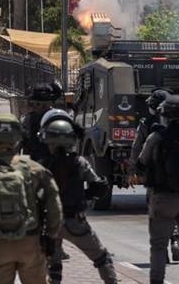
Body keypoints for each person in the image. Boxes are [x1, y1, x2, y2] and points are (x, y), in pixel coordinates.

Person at [0, 112, 62, 284]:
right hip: (30, 243)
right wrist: (51, 238)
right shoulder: (35, 169)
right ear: (17, 137)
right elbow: (55, 207)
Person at [37, 110, 118, 284]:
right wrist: (83, 195)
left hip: (51, 224)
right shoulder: (79, 163)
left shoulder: (41, 166)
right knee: (101, 258)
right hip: (76, 222)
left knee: (53, 266)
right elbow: (99, 188)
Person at [135, 95, 179, 284]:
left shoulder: (156, 137)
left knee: (158, 246)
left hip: (162, 200)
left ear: (164, 115)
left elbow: (141, 162)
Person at [127, 88, 179, 262]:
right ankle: (175, 240)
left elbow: (137, 148)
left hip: (155, 176)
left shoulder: (146, 123)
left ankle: (163, 250)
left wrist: (133, 171)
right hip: (177, 176)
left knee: (157, 213)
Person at [20, 83, 64, 163]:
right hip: (57, 165)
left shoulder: (27, 119)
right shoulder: (60, 117)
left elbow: (18, 144)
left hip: (33, 165)